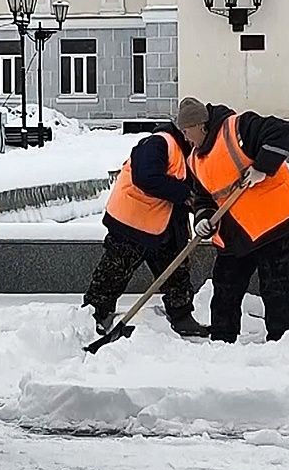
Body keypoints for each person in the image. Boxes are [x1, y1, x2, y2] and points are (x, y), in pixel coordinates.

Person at [175, 97, 289, 343]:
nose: (185, 138)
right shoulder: (194, 160)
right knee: (225, 286)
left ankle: (283, 340)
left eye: (186, 131)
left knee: (276, 285)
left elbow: (283, 132)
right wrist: (203, 218)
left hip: (270, 221)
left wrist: (262, 167)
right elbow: (203, 198)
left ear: (200, 125)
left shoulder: (238, 128)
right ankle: (222, 339)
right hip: (234, 231)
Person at [82, 121, 209, 338]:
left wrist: (201, 213)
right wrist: (184, 194)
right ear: (186, 131)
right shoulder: (159, 143)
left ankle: (182, 317)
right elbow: (146, 177)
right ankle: (95, 316)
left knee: (176, 273)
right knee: (113, 273)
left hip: (163, 225)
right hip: (131, 223)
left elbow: (194, 192)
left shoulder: (190, 154)